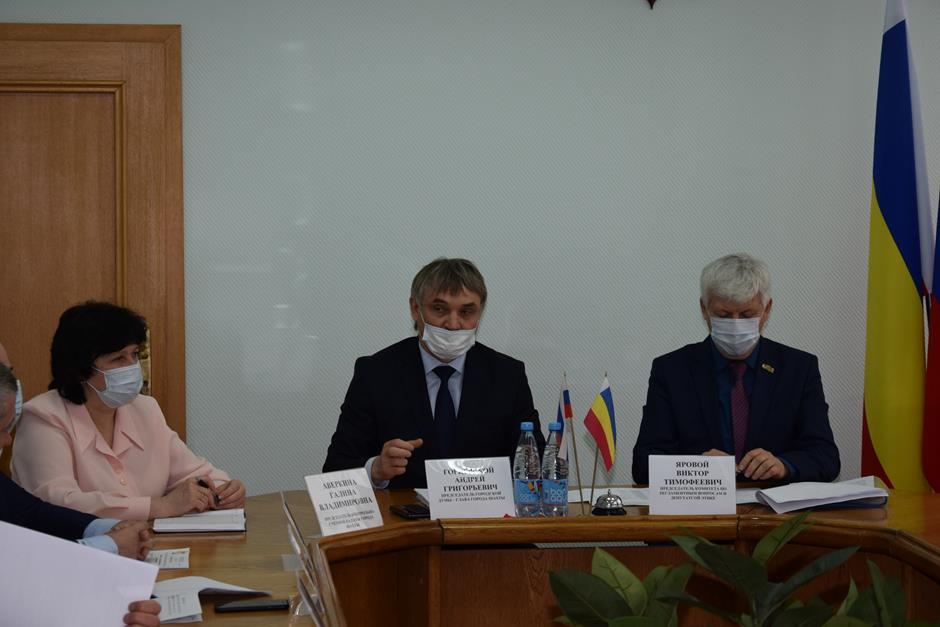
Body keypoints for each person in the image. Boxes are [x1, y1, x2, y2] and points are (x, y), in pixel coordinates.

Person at [12, 302, 245, 520]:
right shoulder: (42, 418)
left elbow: (196, 475)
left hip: (145, 544)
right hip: (76, 547)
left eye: (134, 354)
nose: (132, 366)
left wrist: (223, 491)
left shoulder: (144, 408)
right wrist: (160, 506)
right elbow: (57, 502)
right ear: (80, 370)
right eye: (118, 358)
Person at [323, 258, 543, 488]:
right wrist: (376, 470)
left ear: (479, 314)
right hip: (402, 510)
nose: (453, 324)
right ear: (415, 308)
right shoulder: (376, 373)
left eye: (466, 312)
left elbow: (534, 466)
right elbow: (335, 468)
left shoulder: (507, 376)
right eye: (439, 309)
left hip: (481, 509)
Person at [631, 253, 840, 485]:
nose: (736, 325)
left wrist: (783, 466)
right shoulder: (672, 371)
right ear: (704, 308)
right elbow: (643, 464)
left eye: (747, 315)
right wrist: (697, 466)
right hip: (702, 505)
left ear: (767, 309)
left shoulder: (798, 369)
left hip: (772, 505)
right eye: (723, 315)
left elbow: (826, 457)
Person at [0, 352, 160, 626]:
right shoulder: (44, 414)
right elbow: (14, 573)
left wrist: (105, 527)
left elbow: (30, 512)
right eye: (2, 429)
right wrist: (111, 545)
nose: (6, 440)